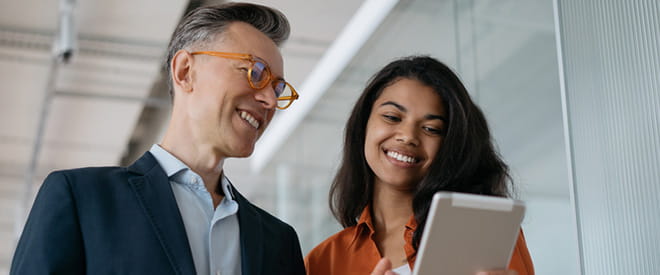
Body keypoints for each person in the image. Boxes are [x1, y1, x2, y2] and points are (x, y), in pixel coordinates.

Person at [11, 3, 304, 275]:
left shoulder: (280, 242)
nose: (269, 100)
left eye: (278, 90)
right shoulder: (82, 199)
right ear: (185, 71)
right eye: (255, 72)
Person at [304, 56, 534, 275]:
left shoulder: (484, 235)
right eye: (392, 117)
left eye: (431, 129)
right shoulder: (324, 261)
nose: (408, 136)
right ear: (364, 125)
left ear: (450, 145)